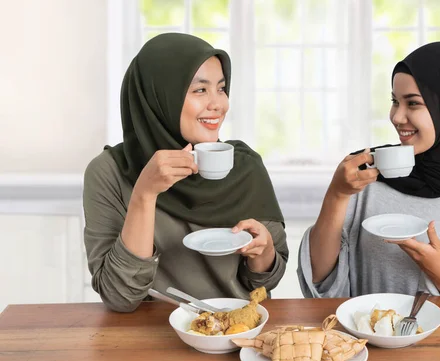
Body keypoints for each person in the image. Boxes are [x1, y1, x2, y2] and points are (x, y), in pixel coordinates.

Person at [297, 42, 440, 297]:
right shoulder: (366, 176)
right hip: (363, 337)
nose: (396, 116)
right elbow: (318, 279)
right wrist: (337, 194)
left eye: (413, 103)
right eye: (395, 101)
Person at [83, 33, 288, 312]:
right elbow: (119, 297)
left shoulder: (244, 166)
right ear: (158, 97)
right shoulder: (110, 172)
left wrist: (262, 253)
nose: (218, 104)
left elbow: (266, 281)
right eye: (200, 90)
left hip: (237, 333)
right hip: (149, 340)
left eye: (222, 88)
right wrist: (145, 194)